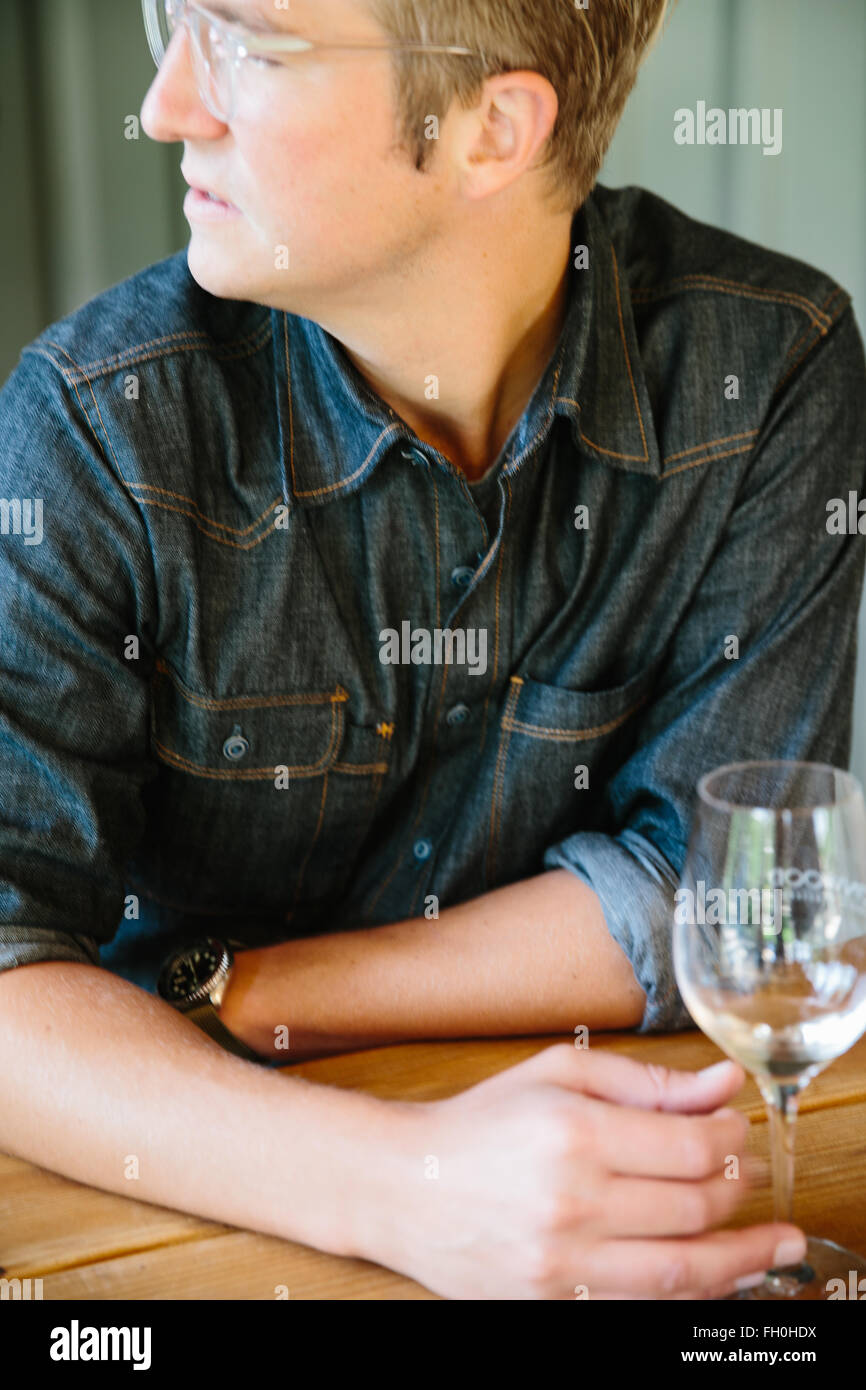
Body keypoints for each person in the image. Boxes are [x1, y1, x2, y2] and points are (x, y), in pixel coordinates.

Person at [1, 0, 862, 1300]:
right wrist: (407, 1183)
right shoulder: (98, 431)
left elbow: (718, 899)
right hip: (190, 1205)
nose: (170, 103)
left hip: (602, 1170)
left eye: (251, 42)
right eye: (171, 20)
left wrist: (236, 984)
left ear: (492, 129)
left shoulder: (765, 370)